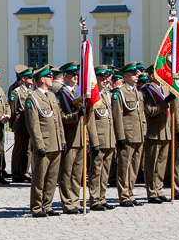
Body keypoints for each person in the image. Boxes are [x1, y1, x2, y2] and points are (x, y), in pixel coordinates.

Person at [26, 66, 65, 217]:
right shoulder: (33, 98)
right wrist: (39, 144)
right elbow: (33, 125)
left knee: (52, 177)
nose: (52, 78)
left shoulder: (51, 96)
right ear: (42, 79)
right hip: (44, 143)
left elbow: (58, 121)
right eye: (49, 76)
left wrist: (62, 139)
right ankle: (36, 207)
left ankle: (47, 205)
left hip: (55, 142)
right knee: (40, 177)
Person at [141, 67, 176, 204]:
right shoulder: (147, 90)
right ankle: (151, 192)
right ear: (152, 75)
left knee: (161, 163)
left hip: (164, 131)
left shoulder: (165, 88)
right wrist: (165, 102)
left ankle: (159, 189)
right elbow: (150, 110)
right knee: (151, 164)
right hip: (153, 132)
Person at [113, 63, 146, 206]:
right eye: (133, 74)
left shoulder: (137, 92)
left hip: (138, 133)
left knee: (134, 166)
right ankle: (124, 195)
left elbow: (141, 114)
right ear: (125, 76)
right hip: (127, 135)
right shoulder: (119, 92)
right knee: (124, 166)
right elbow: (118, 116)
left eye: (137, 74)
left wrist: (143, 131)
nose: (136, 76)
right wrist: (120, 136)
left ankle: (130, 193)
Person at [56, 62, 86, 214]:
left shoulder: (78, 93)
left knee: (77, 173)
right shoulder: (61, 94)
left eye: (77, 75)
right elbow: (60, 118)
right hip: (69, 137)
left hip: (80, 136)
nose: (75, 77)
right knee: (67, 172)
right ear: (65, 76)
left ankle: (75, 200)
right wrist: (76, 115)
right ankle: (67, 202)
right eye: (73, 74)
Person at [87, 66, 116, 211]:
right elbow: (91, 120)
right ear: (95, 78)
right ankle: (94, 199)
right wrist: (94, 140)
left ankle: (102, 197)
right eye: (103, 79)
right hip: (99, 138)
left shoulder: (105, 94)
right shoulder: (92, 94)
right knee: (96, 170)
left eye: (106, 79)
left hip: (109, 138)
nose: (106, 81)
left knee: (105, 170)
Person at [8, 64, 33, 183]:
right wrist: (13, 125)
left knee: (28, 150)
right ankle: (16, 172)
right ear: (23, 78)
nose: (31, 79)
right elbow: (12, 111)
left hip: (29, 125)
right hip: (20, 124)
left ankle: (25, 171)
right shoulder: (16, 92)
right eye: (29, 77)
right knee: (19, 149)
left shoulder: (31, 91)